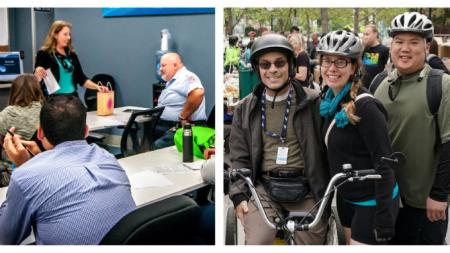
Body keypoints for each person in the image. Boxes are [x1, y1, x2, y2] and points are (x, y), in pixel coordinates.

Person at [228, 34, 329, 245]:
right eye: (265, 64)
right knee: (258, 241)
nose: (272, 69)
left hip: (306, 188)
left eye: (279, 63)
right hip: (264, 188)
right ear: (257, 69)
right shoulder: (246, 107)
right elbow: (238, 156)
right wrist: (238, 195)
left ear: (290, 65)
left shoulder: (314, 102)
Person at [0, 95, 136, 245]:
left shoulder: (26, 176)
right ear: (86, 131)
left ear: (40, 133)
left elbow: (5, 239)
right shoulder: (109, 158)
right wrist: (35, 162)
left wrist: (23, 167)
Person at [372, 12, 450, 245]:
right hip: (384, 201)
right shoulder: (379, 83)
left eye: (414, 42)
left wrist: (439, 195)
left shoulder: (441, 84)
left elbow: (449, 144)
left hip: (424, 204)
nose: (404, 48)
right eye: (399, 41)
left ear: (427, 46)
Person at [317, 30, 398, 245]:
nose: (332, 68)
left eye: (341, 62)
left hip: (373, 202)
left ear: (354, 67)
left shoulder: (366, 106)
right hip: (346, 198)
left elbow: (385, 163)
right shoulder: (327, 104)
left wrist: (384, 218)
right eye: (326, 61)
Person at [34, 20, 108, 97]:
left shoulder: (71, 54)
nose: (68, 37)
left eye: (69, 34)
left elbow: (81, 78)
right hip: (54, 100)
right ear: (55, 35)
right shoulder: (44, 54)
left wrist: (97, 87)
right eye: (65, 34)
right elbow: (36, 78)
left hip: (73, 97)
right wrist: (38, 72)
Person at [154, 52, 207, 149]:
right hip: (164, 125)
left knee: (156, 147)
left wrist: (183, 116)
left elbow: (198, 93)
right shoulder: (173, 80)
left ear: (175, 65)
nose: (160, 69)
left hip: (181, 126)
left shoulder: (185, 77)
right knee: (144, 140)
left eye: (163, 65)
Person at [0, 74, 44, 141]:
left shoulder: (6, 113)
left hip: (12, 149)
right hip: (43, 151)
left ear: (14, 91)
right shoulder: (46, 112)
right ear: (38, 90)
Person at [361, 24, 390, 89]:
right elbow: (362, 66)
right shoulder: (365, 49)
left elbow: (388, 70)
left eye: (367, 34)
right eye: (364, 34)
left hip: (377, 86)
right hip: (364, 86)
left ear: (375, 34)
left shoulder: (384, 50)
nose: (365, 37)